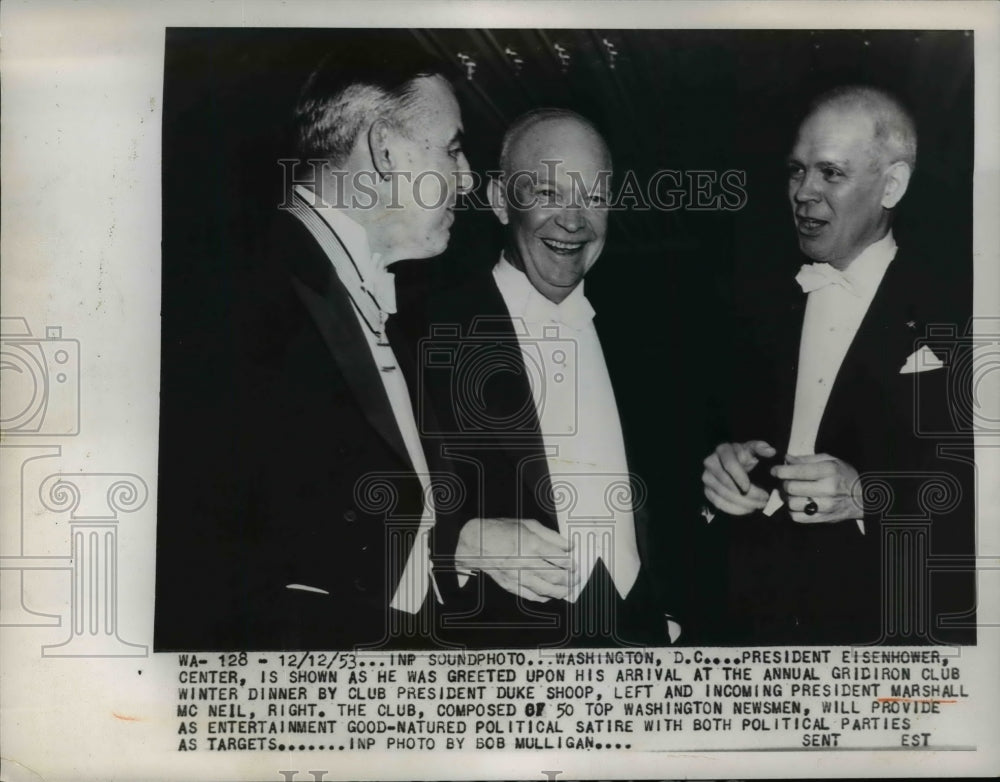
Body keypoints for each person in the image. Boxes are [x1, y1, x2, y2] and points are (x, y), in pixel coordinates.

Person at [155, 51, 470, 650]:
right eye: (453, 149)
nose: (470, 176)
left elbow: (332, 505)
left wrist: (461, 542)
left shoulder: (376, 309)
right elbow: (210, 556)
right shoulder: (233, 294)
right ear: (384, 151)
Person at [699, 85, 974, 645]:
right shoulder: (754, 304)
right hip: (749, 625)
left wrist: (869, 496)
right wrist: (718, 469)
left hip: (881, 633)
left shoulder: (963, 310)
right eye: (797, 171)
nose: (804, 193)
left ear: (892, 185)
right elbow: (710, 433)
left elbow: (978, 501)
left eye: (831, 173)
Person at [407, 108, 679, 648]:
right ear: (500, 199)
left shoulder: (653, 340)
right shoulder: (421, 335)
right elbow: (352, 508)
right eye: (549, 194)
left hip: (643, 647)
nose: (574, 220)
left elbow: (672, 493)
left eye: (593, 196)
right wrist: (459, 542)